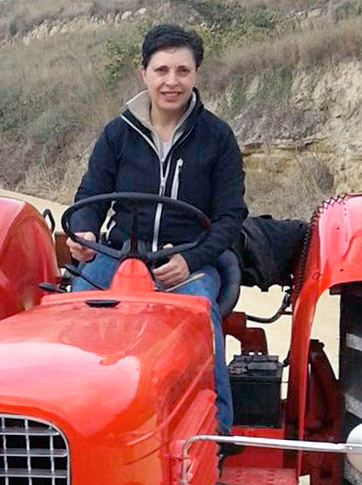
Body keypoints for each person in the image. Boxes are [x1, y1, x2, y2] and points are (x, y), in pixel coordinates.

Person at [67, 23, 248, 433]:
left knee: (200, 318)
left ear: (196, 75)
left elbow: (229, 218)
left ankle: (215, 433)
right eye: (162, 70)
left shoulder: (217, 137)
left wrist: (190, 259)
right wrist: (87, 234)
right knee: (78, 311)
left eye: (182, 71)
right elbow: (89, 195)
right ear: (143, 73)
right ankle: (81, 423)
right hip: (116, 257)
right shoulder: (117, 134)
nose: (171, 81)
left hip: (189, 261)